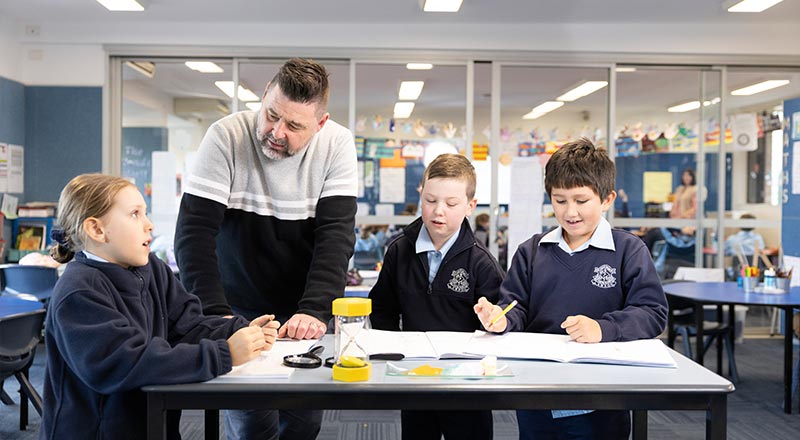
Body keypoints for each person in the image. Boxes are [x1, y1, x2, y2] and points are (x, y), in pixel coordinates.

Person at [174, 58, 358, 440]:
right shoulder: (225, 135)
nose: (276, 132)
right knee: (252, 424)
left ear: (320, 124)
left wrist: (315, 309)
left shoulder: (337, 144)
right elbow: (193, 234)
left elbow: (336, 238)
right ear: (263, 97)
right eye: (271, 115)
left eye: (294, 126)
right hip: (236, 306)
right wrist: (214, 313)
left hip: (303, 311)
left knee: (303, 423)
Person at [39, 174, 279, 440]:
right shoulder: (78, 291)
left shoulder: (151, 268)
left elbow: (188, 326)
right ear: (96, 229)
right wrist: (225, 354)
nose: (149, 225)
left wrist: (238, 330)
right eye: (134, 214)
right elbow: (123, 362)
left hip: (152, 424)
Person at [474, 139, 668, 440]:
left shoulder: (628, 250)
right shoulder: (532, 251)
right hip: (537, 389)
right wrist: (502, 318)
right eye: (560, 200)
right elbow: (517, 306)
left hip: (601, 394)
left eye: (581, 200)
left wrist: (603, 328)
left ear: (606, 199)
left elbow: (653, 312)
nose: (570, 211)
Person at [370, 153, 505, 440]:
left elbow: (500, 321)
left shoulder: (482, 263)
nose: (438, 211)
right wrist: (393, 356)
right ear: (421, 195)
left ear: (470, 206)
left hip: (467, 383)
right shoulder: (399, 251)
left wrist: (491, 320)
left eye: (451, 203)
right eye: (430, 200)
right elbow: (382, 308)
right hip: (415, 375)